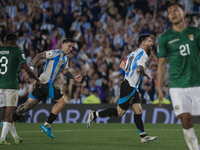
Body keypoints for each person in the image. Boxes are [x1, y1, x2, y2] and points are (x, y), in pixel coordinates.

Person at [87, 34, 157, 143]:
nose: (152, 43)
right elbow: (139, 68)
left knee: (138, 110)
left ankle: (143, 136)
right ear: (143, 43)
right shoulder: (143, 53)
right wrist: (147, 75)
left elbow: (121, 65)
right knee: (119, 112)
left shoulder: (132, 54)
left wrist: (129, 73)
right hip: (130, 86)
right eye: (149, 41)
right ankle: (94, 114)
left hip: (131, 85)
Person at [12, 38, 82, 139]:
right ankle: (46, 125)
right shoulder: (55, 53)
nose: (71, 49)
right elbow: (39, 55)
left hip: (43, 83)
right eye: (69, 46)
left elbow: (65, 71)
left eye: (72, 47)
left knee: (28, 106)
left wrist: (74, 77)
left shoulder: (66, 58)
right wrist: (31, 69)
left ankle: (7, 122)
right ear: (63, 45)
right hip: (45, 81)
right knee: (62, 102)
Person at [157, 2, 200, 150]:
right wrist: (159, 87)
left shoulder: (196, 32)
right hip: (177, 86)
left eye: (176, 10)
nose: (173, 13)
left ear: (184, 12)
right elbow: (161, 65)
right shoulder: (164, 38)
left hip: (197, 82)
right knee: (185, 119)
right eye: (169, 12)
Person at [0, 33, 42, 145]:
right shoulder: (17, 51)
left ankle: (16, 138)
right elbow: (27, 69)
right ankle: (2, 138)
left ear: (5, 42)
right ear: (14, 42)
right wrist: (37, 79)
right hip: (11, 86)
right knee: (9, 115)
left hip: (0, 86)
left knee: (7, 114)